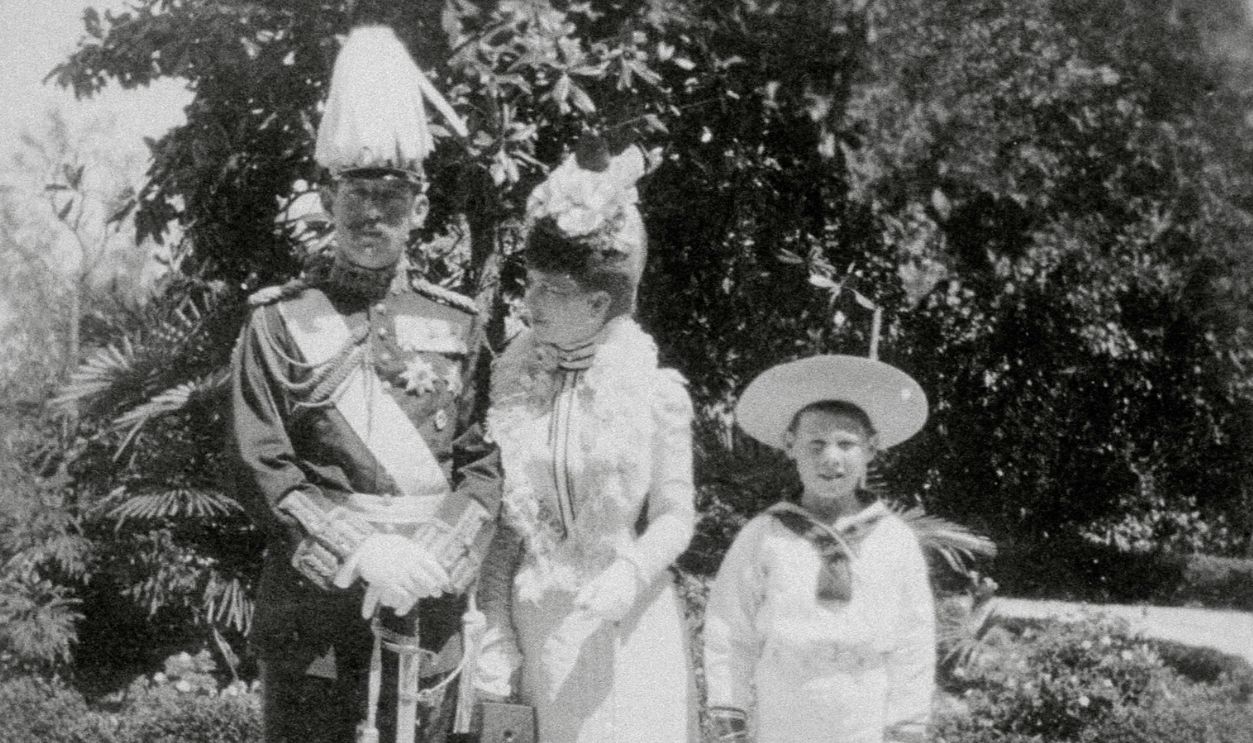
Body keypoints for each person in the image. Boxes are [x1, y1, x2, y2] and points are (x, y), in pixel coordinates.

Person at [229, 23, 500, 743]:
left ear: (421, 207)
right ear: (328, 197)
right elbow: (260, 462)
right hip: (314, 612)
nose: (372, 214)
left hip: (429, 600)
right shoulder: (277, 323)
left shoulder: (458, 323)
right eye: (356, 193)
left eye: (391, 195)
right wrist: (359, 550)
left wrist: (438, 553)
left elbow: (482, 463)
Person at [470, 139, 698, 743]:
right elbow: (506, 525)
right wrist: (496, 626)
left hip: (629, 616)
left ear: (598, 302)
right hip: (541, 622)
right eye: (531, 284)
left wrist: (630, 572)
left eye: (553, 290)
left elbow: (675, 515)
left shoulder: (654, 392)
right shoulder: (515, 387)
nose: (530, 302)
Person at [703, 355, 936, 743]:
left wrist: (907, 723)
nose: (831, 458)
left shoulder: (894, 540)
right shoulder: (764, 536)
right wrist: (730, 715)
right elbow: (729, 629)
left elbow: (914, 637)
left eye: (847, 444)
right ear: (790, 446)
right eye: (816, 444)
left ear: (871, 448)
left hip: (866, 714)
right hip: (786, 711)